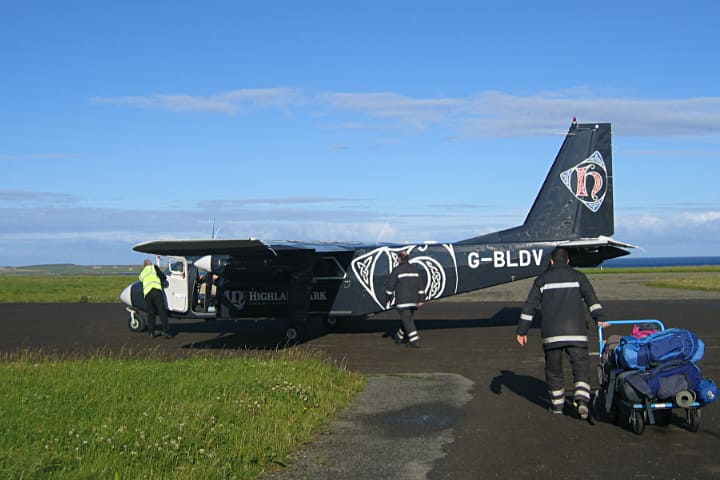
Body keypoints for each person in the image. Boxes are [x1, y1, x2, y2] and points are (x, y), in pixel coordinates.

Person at [516, 248, 608, 419]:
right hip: (577, 333)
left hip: (552, 335)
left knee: (554, 371)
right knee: (580, 367)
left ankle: (557, 406)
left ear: (551, 261)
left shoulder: (542, 280)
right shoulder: (578, 277)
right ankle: (581, 399)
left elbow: (530, 307)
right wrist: (599, 318)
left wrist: (522, 330)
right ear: (567, 261)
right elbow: (591, 299)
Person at [385, 250, 425, 348]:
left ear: (399, 259)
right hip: (414, 301)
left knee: (407, 320)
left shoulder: (397, 270)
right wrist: (421, 299)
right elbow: (420, 286)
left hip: (403, 301)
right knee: (407, 319)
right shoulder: (415, 270)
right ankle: (399, 337)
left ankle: (415, 341)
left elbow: (390, 287)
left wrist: (388, 299)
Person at [138, 259, 171, 338]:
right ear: (150, 264)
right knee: (162, 311)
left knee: (151, 313)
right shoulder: (154, 267)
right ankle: (166, 331)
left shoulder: (142, 273)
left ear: (144, 265)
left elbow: (140, 281)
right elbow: (163, 277)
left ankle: (151, 332)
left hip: (147, 294)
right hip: (156, 291)